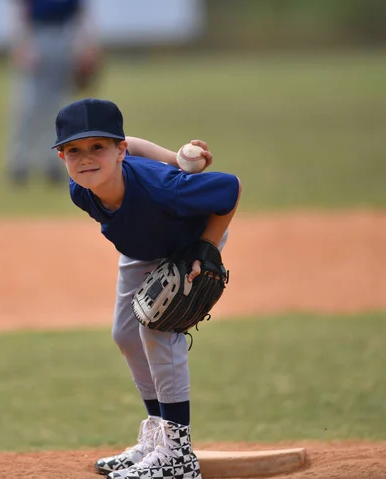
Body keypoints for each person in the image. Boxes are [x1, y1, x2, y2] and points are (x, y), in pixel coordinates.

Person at [53, 98, 242, 479]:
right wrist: (174, 154)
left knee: (156, 328)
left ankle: (177, 454)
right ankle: (157, 438)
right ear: (62, 157)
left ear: (118, 151)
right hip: (140, 250)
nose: (86, 158)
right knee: (124, 333)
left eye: (97, 148)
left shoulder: (165, 189)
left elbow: (228, 189)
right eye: (74, 150)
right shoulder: (80, 189)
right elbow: (131, 142)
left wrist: (206, 248)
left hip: (188, 246)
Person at [7, 0, 101, 186]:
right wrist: (20, 43)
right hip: (36, 35)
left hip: (67, 35)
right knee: (29, 104)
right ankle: (20, 162)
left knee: (59, 106)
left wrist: (88, 43)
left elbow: (82, 10)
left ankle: (52, 161)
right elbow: (18, 8)